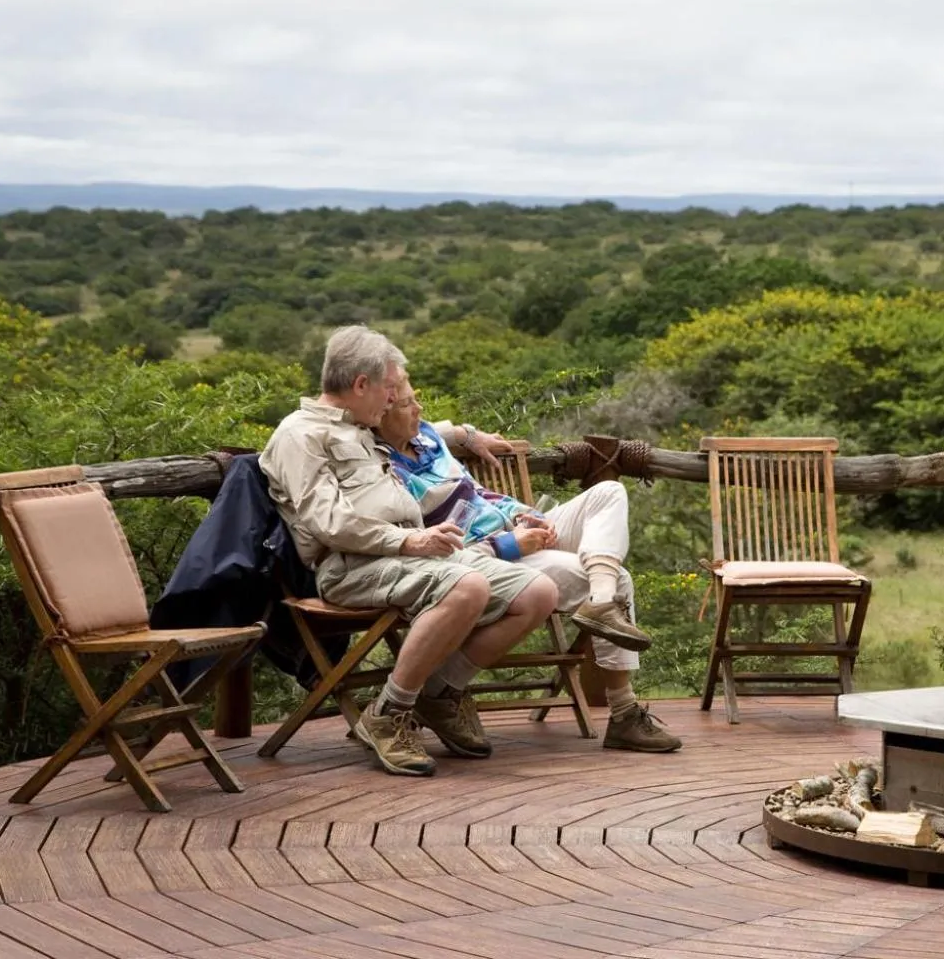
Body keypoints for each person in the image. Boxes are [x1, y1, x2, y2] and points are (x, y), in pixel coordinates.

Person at [260, 326, 560, 777]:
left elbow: (420, 431)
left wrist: (464, 435)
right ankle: (387, 714)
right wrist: (409, 540)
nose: (391, 401)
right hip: (353, 567)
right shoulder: (299, 436)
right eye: (389, 390)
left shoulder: (359, 426)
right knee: (468, 586)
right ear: (361, 385)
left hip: (411, 555)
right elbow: (330, 523)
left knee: (538, 592)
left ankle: (437, 693)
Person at [375, 375, 682, 753]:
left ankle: (599, 600)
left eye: (415, 399)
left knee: (608, 492)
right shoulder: (384, 473)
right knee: (619, 579)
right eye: (408, 404)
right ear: (379, 414)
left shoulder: (425, 437)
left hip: (519, 534)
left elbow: (478, 493)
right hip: (489, 560)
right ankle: (623, 713)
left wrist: (522, 513)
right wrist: (509, 545)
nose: (418, 409)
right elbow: (441, 555)